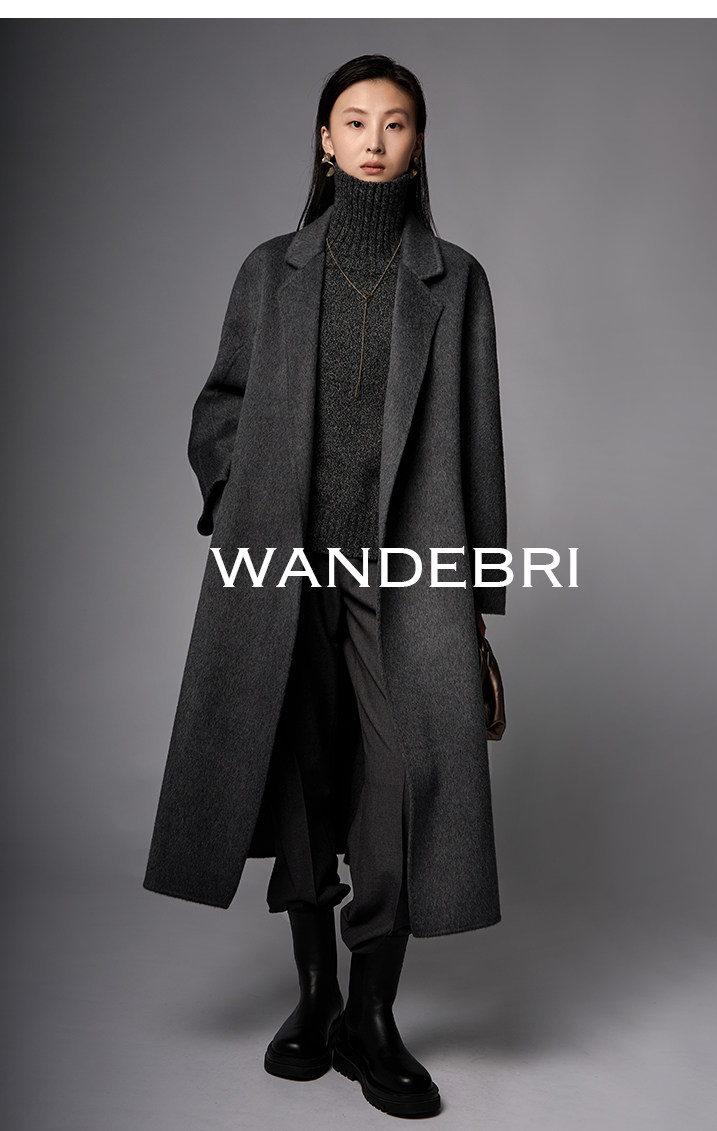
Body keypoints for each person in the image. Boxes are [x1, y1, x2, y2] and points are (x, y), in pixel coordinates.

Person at [143, 54, 507, 1120]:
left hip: (406, 578)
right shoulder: (271, 272)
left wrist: (480, 613)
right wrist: (239, 501)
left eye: (395, 123)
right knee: (300, 779)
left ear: (419, 143)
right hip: (282, 569)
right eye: (355, 121)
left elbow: (478, 451)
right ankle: (315, 995)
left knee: (398, 785)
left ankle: (373, 1014)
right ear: (324, 139)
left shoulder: (458, 281)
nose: (374, 141)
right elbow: (219, 407)